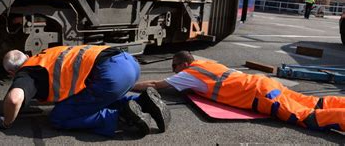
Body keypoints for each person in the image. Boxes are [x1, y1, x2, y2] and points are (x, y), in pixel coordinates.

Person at [0, 45, 171, 137]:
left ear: (12, 72)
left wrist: (6, 121)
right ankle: (142, 102)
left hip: (110, 76)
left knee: (58, 117)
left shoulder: (26, 73)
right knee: (90, 99)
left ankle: (120, 116)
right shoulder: (46, 54)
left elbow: (14, 100)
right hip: (128, 62)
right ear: (27, 55)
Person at [133, 51, 345, 132]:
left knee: (305, 117)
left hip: (260, 96)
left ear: (184, 64)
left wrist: (130, 86)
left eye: (174, 66)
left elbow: (155, 84)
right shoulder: (207, 65)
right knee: (313, 103)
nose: (174, 71)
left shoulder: (189, 74)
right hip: (265, 84)